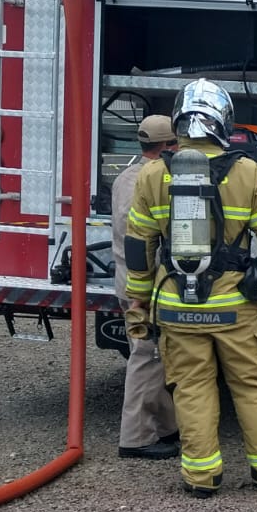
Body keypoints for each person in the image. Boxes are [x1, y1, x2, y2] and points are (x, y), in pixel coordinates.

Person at [123, 80, 257, 498]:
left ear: (180, 120)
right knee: (252, 387)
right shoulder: (247, 172)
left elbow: (137, 247)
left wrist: (139, 302)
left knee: (192, 389)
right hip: (235, 307)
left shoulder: (151, 174)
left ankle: (202, 478)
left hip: (177, 309)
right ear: (224, 119)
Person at [111, 114, 181, 461]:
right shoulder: (151, 181)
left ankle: (166, 427)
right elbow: (140, 240)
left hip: (135, 281)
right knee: (147, 355)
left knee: (160, 357)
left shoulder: (128, 176)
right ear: (169, 146)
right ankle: (136, 437)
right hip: (144, 285)